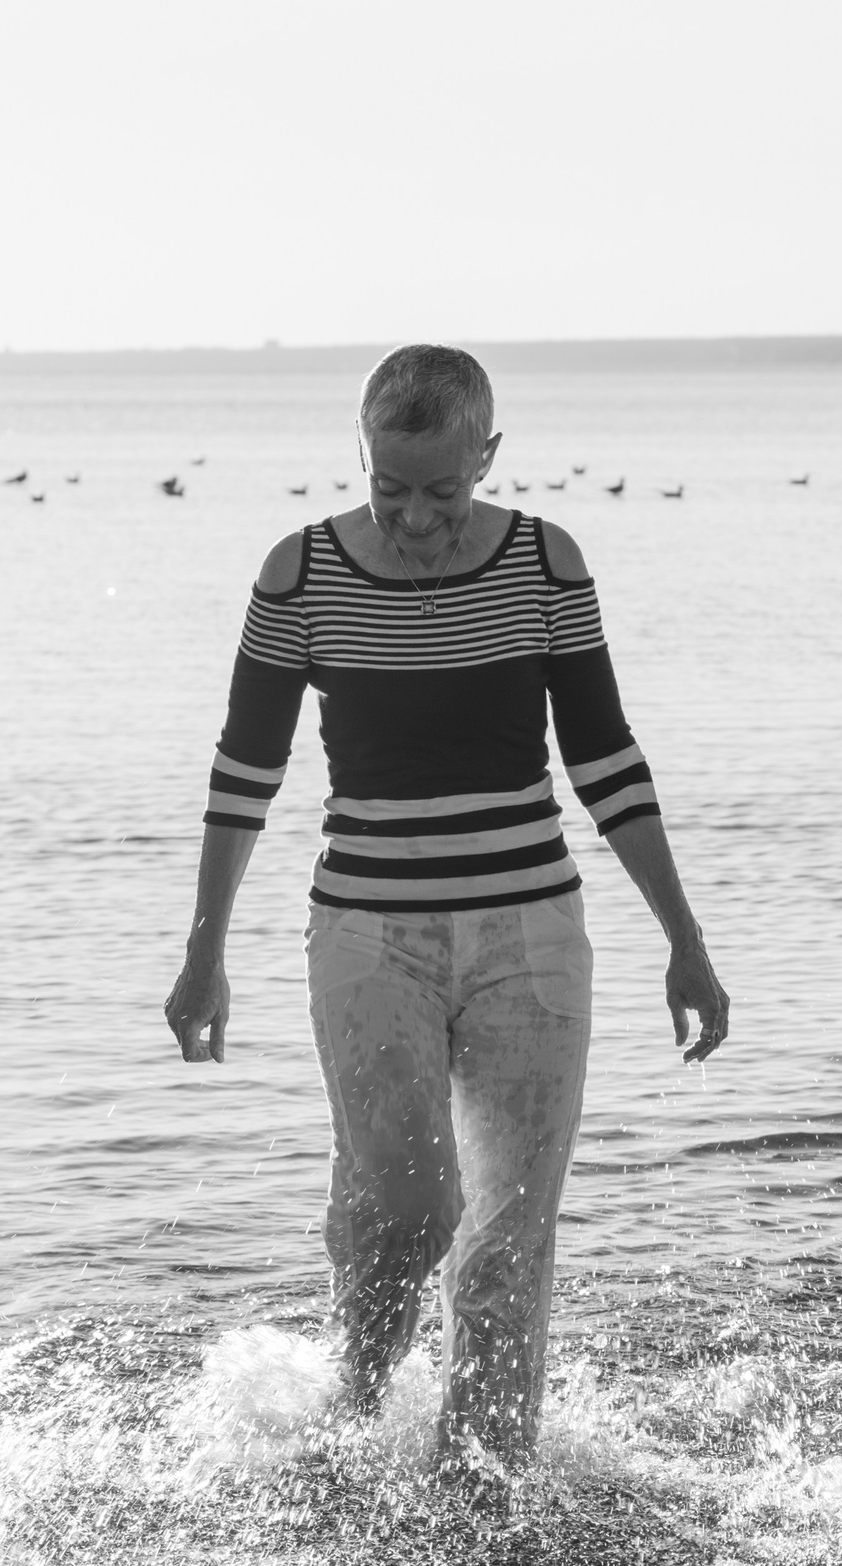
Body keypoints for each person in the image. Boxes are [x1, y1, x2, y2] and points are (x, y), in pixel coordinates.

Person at [163, 344, 729, 1481]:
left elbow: (606, 759)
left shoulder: (545, 563)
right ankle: (355, 1412)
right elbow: (245, 770)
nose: (416, 517)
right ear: (360, 456)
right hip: (370, 938)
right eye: (390, 488)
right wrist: (204, 950)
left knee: (510, 1238)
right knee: (413, 1211)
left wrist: (685, 938)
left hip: (531, 934)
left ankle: (483, 1484)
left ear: (488, 455)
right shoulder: (300, 575)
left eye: (442, 488)